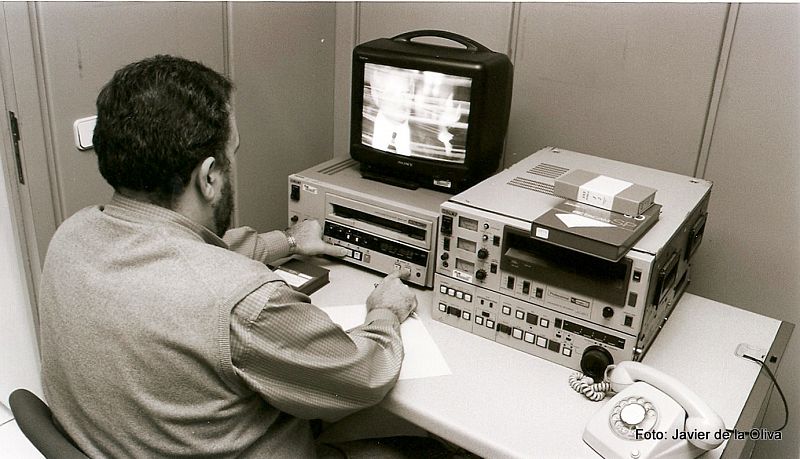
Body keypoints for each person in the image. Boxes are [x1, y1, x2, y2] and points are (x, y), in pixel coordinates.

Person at [37, 55, 420, 458]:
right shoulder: (245, 303)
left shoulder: (71, 236)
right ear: (209, 177)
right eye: (232, 154)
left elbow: (186, 258)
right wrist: (385, 312)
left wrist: (289, 241)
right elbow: (364, 375)